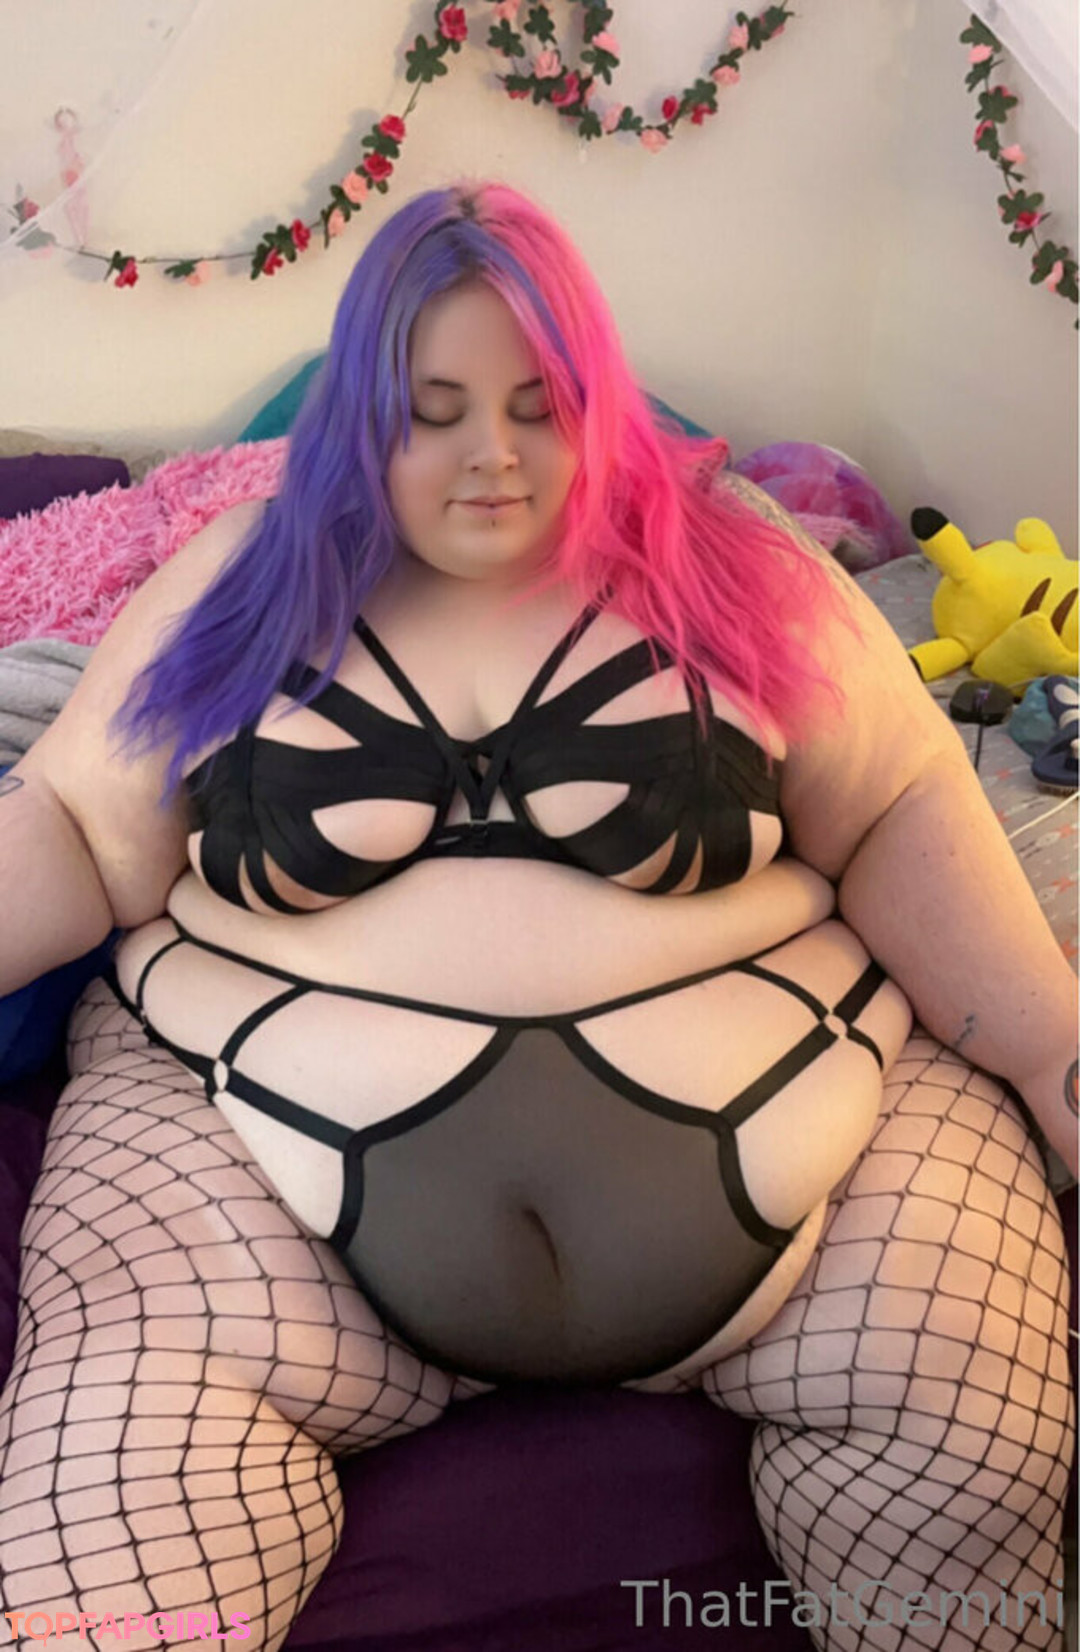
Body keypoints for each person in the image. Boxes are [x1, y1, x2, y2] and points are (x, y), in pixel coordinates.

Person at [0, 179, 1074, 1652]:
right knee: (106, 1524)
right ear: (357, 419)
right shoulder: (236, 582)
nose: (491, 457)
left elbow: (902, 810)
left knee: (974, 1439)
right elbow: (74, 825)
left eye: (537, 406)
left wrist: (1056, 1064)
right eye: (431, 412)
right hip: (255, 1187)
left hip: (820, 1158)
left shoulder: (746, 566)